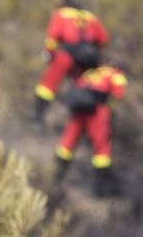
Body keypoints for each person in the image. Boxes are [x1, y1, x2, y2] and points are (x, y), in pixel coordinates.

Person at [54, 63, 128, 196]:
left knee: (67, 143)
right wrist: (111, 110)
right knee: (101, 150)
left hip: (78, 113)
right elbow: (118, 94)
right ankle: (99, 189)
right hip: (97, 113)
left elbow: (77, 87)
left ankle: (56, 177)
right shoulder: (114, 74)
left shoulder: (90, 73)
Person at [35, 0, 109, 124]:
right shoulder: (91, 16)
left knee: (47, 85)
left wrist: (49, 53)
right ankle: (88, 122)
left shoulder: (61, 14)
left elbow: (53, 37)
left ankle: (38, 119)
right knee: (87, 88)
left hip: (67, 54)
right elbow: (103, 39)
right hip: (89, 57)